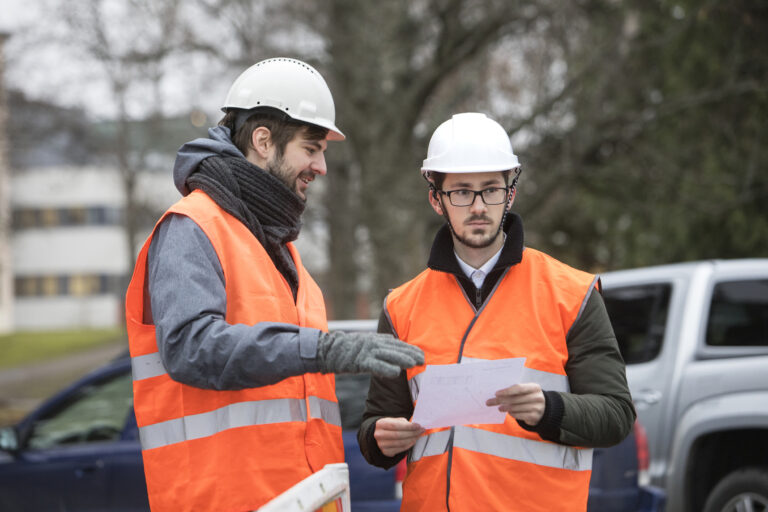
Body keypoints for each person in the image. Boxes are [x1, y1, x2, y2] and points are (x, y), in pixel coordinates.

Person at [125, 57, 424, 512]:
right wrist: (321, 350)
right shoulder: (193, 227)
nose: (321, 166)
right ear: (264, 141)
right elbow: (191, 346)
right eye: (312, 148)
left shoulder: (278, 248)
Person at [357, 112, 635, 511]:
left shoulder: (571, 294)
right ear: (436, 198)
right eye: (461, 192)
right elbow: (377, 422)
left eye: (490, 190)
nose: (477, 206)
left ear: (510, 194)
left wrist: (549, 409)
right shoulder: (401, 307)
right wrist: (378, 441)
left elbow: (617, 414)